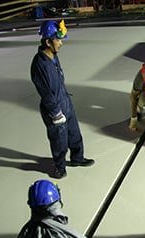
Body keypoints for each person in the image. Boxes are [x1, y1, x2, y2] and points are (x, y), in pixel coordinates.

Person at [31, 20, 94, 179]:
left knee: (74, 134)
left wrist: (66, 101)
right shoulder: (39, 64)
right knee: (59, 140)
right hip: (54, 109)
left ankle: (77, 158)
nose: (61, 43)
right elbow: (45, 92)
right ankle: (59, 166)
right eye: (58, 40)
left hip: (65, 101)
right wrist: (55, 112)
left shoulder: (53, 56)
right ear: (47, 41)